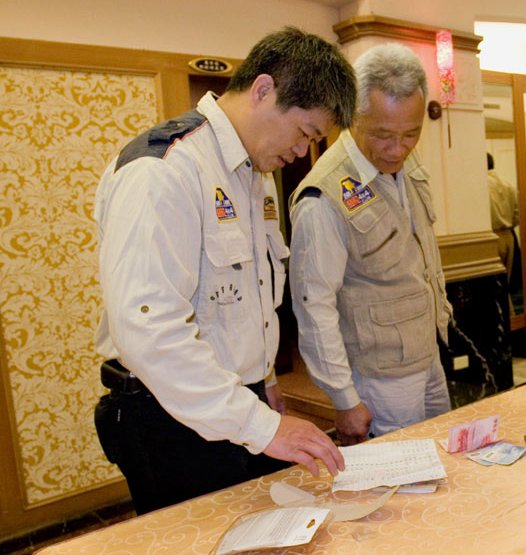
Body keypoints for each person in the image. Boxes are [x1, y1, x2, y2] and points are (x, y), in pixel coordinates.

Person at [92, 27, 355, 514]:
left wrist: (265, 381)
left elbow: (250, 295)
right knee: (204, 540)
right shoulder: (165, 168)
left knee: (261, 532)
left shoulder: (256, 175)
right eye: (304, 133)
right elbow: (148, 329)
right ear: (263, 90)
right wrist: (260, 425)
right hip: (168, 412)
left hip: (236, 400)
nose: (303, 152)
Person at [289, 43, 452, 445]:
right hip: (379, 376)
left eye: (411, 134)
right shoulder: (323, 197)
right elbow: (314, 307)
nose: (398, 149)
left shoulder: (406, 162)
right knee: (402, 473)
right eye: (383, 135)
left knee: (444, 456)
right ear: (352, 116)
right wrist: (344, 399)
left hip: (428, 352)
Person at [487, 152, 520, 283]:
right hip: (509, 236)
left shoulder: (482, 185)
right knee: (506, 281)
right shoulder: (508, 184)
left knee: (494, 283)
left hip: (492, 237)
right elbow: (517, 214)